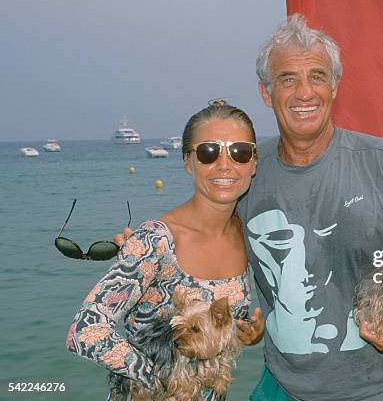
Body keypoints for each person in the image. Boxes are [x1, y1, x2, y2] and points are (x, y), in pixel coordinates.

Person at [118, 15, 383, 401]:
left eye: (317, 76)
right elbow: (203, 232)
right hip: (279, 387)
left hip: (378, 390)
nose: (304, 93)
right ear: (266, 92)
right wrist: (150, 244)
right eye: (287, 79)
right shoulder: (245, 171)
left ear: (335, 86)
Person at [66, 102, 265, 400]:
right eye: (208, 152)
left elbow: (213, 326)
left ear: (253, 163)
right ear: (188, 161)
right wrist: (161, 377)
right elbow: (84, 331)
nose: (225, 164)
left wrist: (244, 334)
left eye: (239, 152)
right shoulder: (154, 241)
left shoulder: (246, 234)